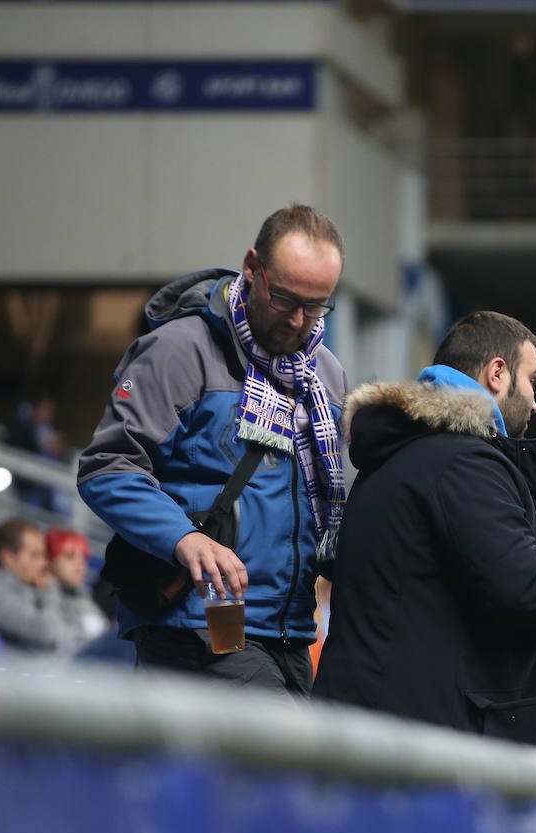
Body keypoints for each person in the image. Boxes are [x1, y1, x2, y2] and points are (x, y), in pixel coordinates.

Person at [77, 205, 349, 696]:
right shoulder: (179, 351)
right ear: (252, 267)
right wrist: (184, 537)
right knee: (282, 762)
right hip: (194, 622)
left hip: (291, 633)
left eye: (316, 306)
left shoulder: (326, 374)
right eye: (285, 297)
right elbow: (107, 466)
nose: (298, 319)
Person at [313, 311, 536, 745]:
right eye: (533, 380)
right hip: (425, 738)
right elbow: (523, 585)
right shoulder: (463, 461)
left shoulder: (404, 451)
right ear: (497, 373)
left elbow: (450, 589)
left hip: (387, 723)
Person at [0, 517, 64, 651]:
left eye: (43, 555)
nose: (44, 563)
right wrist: (49, 591)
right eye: (35, 555)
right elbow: (45, 634)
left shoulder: (34, 589)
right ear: (7, 557)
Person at [43, 527, 110, 654]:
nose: (80, 565)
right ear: (49, 560)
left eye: (83, 558)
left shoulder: (84, 596)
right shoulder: (42, 598)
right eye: (70, 557)